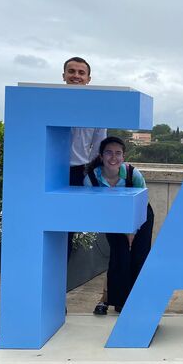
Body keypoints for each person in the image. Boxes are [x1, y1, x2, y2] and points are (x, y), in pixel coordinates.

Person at [84, 137, 154, 314]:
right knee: (120, 256)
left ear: (123, 157)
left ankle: (135, 299)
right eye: (108, 152)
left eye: (118, 153)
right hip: (112, 220)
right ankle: (117, 299)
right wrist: (120, 228)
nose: (113, 157)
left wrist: (132, 230)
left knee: (139, 257)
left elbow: (142, 203)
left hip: (141, 218)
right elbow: (93, 208)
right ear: (101, 156)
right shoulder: (91, 178)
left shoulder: (133, 174)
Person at [63, 57, 107, 260]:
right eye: (71, 71)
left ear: (88, 78)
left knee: (68, 226)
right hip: (48, 170)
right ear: (64, 76)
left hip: (77, 171)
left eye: (81, 73)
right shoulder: (52, 103)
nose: (76, 76)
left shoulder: (97, 109)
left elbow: (100, 145)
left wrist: (86, 167)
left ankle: (61, 278)